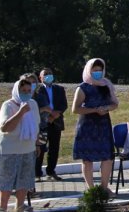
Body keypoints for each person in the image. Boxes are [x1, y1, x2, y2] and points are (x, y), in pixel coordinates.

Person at [0, 77, 40, 212]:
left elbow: (36, 125)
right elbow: (5, 127)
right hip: (8, 148)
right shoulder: (8, 105)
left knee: (25, 177)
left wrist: (37, 144)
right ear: (17, 91)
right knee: (6, 178)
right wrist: (21, 112)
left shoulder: (33, 104)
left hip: (27, 147)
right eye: (23, 91)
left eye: (29, 91)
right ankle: (2, 207)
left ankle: (20, 205)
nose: (26, 93)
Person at [71, 58, 118, 192]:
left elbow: (115, 103)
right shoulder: (82, 87)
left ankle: (104, 187)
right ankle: (91, 189)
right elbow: (75, 109)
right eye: (95, 70)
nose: (97, 72)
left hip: (103, 125)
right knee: (87, 159)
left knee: (107, 157)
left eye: (100, 70)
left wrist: (107, 108)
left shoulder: (106, 85)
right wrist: (94, 110)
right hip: (87, 126)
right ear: (88, 70)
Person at [33, 67, 68, 180]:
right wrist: (48, 116)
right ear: (40, 77)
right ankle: (37, 173)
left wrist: (56, 114)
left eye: (50, 73)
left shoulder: (59, 89)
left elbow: (64, 104)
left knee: (54, 148)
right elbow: (37, 106)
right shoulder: (37, 90)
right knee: (41, 148)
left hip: (56, 123)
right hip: (43, 123)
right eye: (46, 74)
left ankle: (51, 171)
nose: (48, 76)